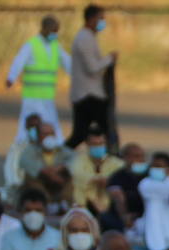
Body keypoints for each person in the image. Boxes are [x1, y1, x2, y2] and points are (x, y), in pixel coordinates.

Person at [5, 16, 70, 140]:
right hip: (31, 97)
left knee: (51, 126)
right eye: (52, 31)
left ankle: (55, 150)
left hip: (47, 97)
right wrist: (11, 77)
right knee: (27, 128)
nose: (54, 34)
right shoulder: (32, 45)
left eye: (56, 31)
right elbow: (19, 61)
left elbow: (68, 63)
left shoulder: (56, 46)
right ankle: (22, 150)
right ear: (44, 29)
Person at [67, 5, 116, 149]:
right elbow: (92, 67)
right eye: (101, 19)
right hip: (89, 95)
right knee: (103, 132)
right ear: (91, 19)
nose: (103, 22)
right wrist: (109, 59)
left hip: (89, 94)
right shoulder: (84, 38)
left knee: (81, 133)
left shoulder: (89, 37)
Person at [69, 125, 122, 223]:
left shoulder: (116, 163)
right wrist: (98, 180)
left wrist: (106, 181)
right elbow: (77, 174)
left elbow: (120, 178)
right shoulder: (78, 160)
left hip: (110, 209)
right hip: (84, 207)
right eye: (94, 144)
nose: (98, 147)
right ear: (87, 144)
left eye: (101, 143)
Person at [17, 121, 73, 206]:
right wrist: (48, 174)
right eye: (45, 134)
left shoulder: (63, 150)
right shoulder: (30, 150)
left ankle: (65, 204)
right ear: (38, 136)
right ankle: (44, 204)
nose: (49, 137)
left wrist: (59, 168)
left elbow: (74, 160)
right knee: (30, 177)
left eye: (51, 134)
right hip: (41, 182)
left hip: (59, 182)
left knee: (71, 177)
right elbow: (26, 162)